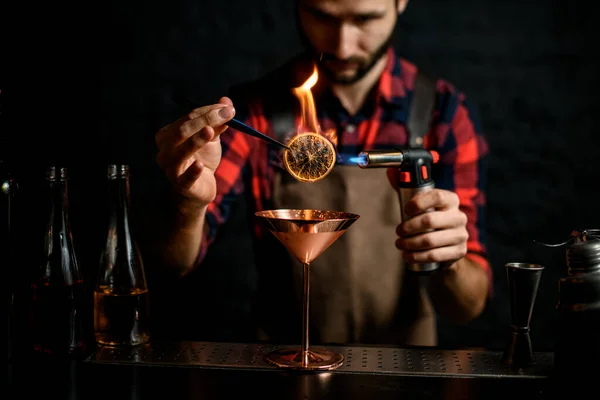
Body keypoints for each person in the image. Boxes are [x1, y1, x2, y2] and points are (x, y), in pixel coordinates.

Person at [151, 0, 490, 347]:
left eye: (365, 19)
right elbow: (174, 265)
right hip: (283, 362)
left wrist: (450, 261)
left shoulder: (444, 113)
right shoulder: (253, 112)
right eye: (322, 17)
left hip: (402, 368)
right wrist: (188, 203)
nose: (342, 45)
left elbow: (467, 308)